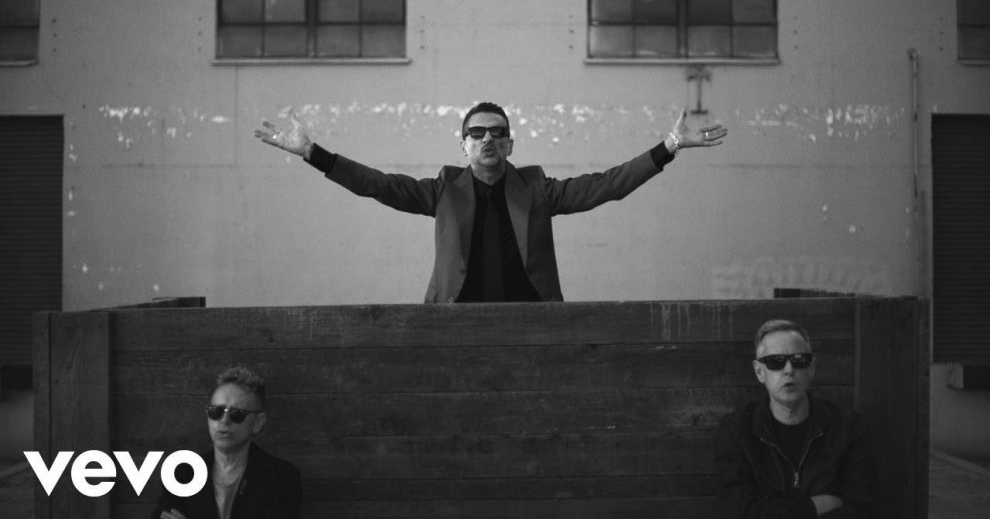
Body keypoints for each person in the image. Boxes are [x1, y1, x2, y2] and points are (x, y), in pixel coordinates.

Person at [256, 101, 727, 303]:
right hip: (453, 321)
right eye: (477, 133)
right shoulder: (443, 189)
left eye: (497, 134)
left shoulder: (537, 188)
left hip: (531, 320)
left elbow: (608, 185)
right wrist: (313, 153)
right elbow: (376, 184)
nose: (487, 140)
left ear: (510, 145)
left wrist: (669, 147)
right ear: (463, 144)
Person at [714, 319, 878, 518]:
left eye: (799, 360)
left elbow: (861, 509)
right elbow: (735, 510)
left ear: (811, 368)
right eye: (775, 361)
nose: (789, 370)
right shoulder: (736, 432)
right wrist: (813, 506)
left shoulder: (847, 428)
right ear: (759, 371)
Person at [152, 366, 301, 519]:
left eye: (237, 414)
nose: (224, 421)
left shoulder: (281, 477)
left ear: (258, 422)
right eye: (215, 411)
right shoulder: (184, 473)